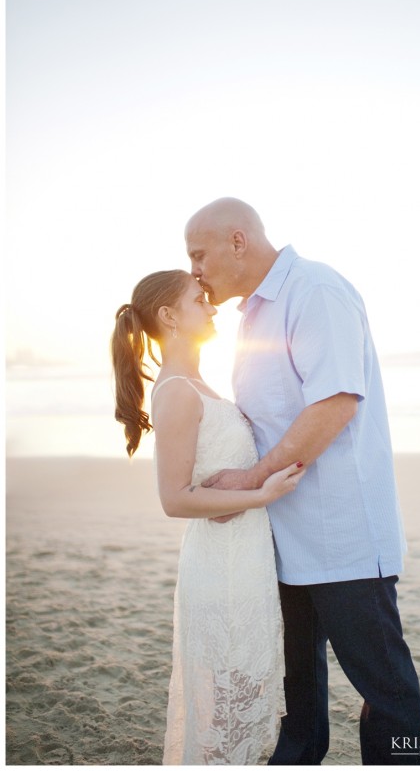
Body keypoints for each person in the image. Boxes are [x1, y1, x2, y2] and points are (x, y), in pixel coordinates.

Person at [184, 197, 420, 766]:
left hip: (342, 537)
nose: (194, 269)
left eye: (199, 253)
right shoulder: (250, 317)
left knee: (385, 692)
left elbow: (334, 404)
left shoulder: (314, 290)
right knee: (297, 701)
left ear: (238, 241)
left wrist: (248, 478)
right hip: (283, 540)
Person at [110, 269, 305, 765]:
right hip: (219, 568)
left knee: (242, 695)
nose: (212, 306)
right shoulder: (176, 390)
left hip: (244, 561)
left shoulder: (200, 382)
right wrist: (261, 495)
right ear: (169, 316)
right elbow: (174, 499)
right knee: (225, 705)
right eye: (200, 300)